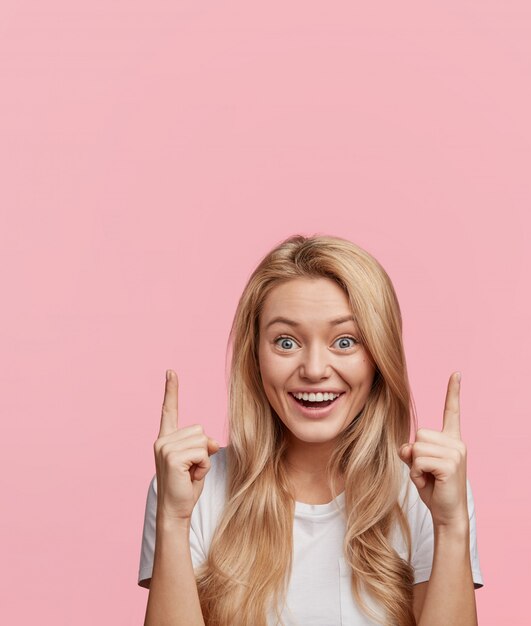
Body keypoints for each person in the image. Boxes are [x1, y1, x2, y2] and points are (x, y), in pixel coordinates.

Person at [138, 234, 484, 626]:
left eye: (345, 341)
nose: (315, 369)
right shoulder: (192, 489)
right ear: (255, 358)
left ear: (378, 357)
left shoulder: (427, 493)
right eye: (286, 342)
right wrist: (172, 517)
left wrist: (451, 525)